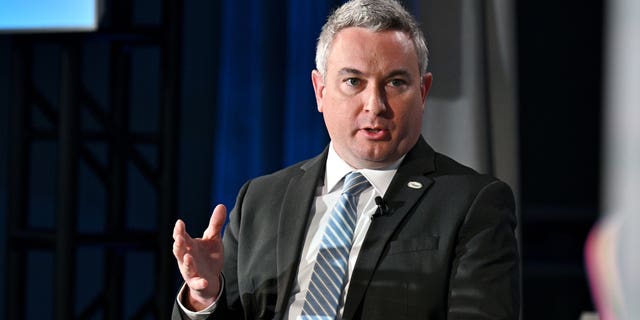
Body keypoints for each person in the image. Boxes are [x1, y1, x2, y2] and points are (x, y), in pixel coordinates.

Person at [172, 0, 520, 319]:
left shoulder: (472, 203)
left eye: (396, 83)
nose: (375, 105)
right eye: (354, 81)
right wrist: (204, 298)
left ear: (423, 91)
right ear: (320, 91)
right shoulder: (261, 200)